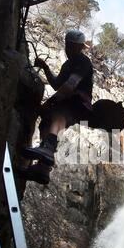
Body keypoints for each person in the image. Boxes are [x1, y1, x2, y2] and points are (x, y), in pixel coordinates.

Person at [19, 29, 94, 185]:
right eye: (68, 45)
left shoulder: (83, 61)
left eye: (73, 46)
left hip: (78, 103)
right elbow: (57, 84)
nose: (69, 49)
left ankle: (48, 147)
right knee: (46, 122)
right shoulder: (67, 64)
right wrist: (46, 68)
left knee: (59, 114)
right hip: (68, 100)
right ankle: (42, 168)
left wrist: (50, 102)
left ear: (79, 47)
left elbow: (70, 85)